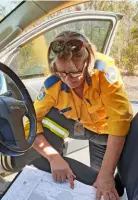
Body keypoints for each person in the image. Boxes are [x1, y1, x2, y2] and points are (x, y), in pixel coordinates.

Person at [1, 30, 133, 200]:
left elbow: (119, 122)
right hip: (85, 128)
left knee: (108, 182)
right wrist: (53, 157)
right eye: (61, 72)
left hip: (113, 133)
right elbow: (31, 124)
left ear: (88, 62)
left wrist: (106, 174)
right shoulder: (53, 84)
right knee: (95, 181)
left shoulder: (105, 74)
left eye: (74, 72)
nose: (68, 79)